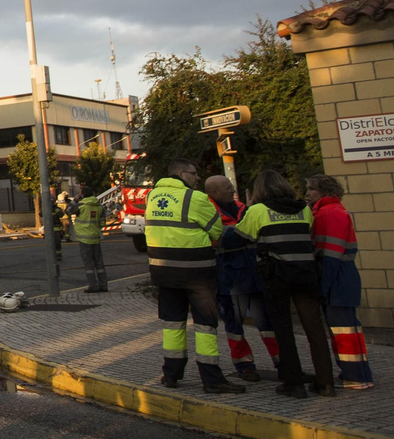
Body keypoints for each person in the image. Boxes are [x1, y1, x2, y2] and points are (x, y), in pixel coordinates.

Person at [143, 159, 244, 394]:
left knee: (172, 324)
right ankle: (211, 379)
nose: (198, 178)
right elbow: (216, 231)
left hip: (163, 272)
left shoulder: (151, 197)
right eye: (194, 174)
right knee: (205, 325)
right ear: (181, 174)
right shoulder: (195, 198)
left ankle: (171, 375)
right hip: (196, 273)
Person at [232, 169, 334, 398]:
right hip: (307, 274)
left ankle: (293, 383)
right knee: (315, 328)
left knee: (283, 329)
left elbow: (239, 237)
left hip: (277, 276)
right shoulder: (304, 210)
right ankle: (326, 383)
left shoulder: (258, 210)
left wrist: (247, 210)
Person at [207, 175, 280, 381]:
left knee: (267, 323)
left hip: (255, 274)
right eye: (227, 188)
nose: (232, 190)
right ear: (214, 193)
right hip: (230, 278)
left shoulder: (244, 208)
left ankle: (281, 361)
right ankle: (244, 364)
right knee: (234, 324)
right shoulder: (209, 212)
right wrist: (245, 230)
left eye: (232, 186)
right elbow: (219, 239)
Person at [306, 174, 373, 389]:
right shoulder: (333, 211)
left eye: (311, 189)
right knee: (349, 329)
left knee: (343, 330)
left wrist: (323, 287)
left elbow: (330, 255)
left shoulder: (328, 213)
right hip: (343, 277)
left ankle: (354, 376)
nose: (307, 193)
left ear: (325, 191)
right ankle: (358, 373)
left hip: (337, 280)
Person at [67, 181, 109, 292]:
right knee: (99, 263)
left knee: (88, 264)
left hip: (84, 239)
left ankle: (93, 286)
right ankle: (103, 285)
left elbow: (68, 210)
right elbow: (103, 223)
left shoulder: (81, 206)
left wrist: (74, 200)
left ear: (82, 195)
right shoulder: (99, 207)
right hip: (95, 238)